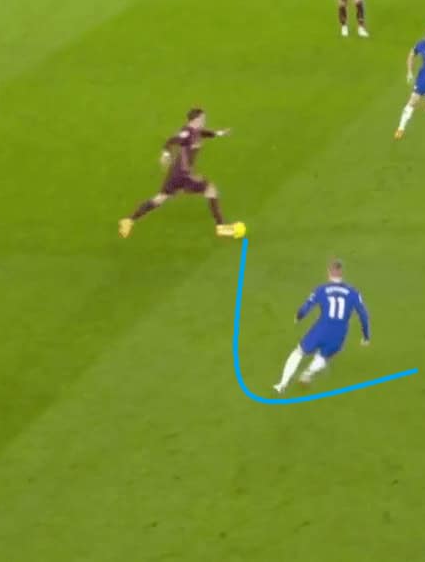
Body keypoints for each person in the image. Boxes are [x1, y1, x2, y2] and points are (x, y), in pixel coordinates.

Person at [120, 108, 243, 238]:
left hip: (176, 173)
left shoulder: (196, 131)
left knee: (160, 198)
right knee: (211, 190)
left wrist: (219, 133)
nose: (205, 120)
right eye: (203, 118)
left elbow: (204, 133)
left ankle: (129, 220)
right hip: (184, 174)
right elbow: (171, 140)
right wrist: (166, 153)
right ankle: (221, 227)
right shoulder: (187, 132)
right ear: (196, 120)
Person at [273, 259, 371, 392]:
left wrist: (299, 316)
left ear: (329, 272)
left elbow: (307, 306)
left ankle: (282, 384)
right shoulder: (353, 293)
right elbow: (363, 315)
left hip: (322, 329)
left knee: (298, 352)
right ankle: (307, 374)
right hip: (339, 334)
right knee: (323, 357)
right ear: (341, 273)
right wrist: (366, 336)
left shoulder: (322, 290)